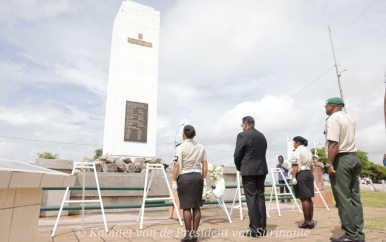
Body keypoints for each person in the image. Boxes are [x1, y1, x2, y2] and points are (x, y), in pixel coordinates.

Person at [324, 97, 365, 242]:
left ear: (333, 106)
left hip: (341, 160)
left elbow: (334, 143)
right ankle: (358, 234)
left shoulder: (333, 119)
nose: (325, 108)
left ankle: (350, 236)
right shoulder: (350, 118)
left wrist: (329, 164)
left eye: (326, 105)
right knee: (355, 198)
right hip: (354, 157)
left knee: (343, 199)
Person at [172, 125, 208, 242]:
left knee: (186, 207)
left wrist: (174, 180)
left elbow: (177, 165)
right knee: (196, 206)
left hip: (185, 177)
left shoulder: (180, 147)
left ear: (184, 134)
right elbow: (205, 165)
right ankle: (194, 234)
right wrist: (203, 178)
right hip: (197, 176)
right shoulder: (201, 147)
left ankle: (188, 235)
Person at [234, 116, 268, 237]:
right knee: (260, 198)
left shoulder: (242, 135)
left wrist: (239, 167)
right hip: (261, 169)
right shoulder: (262, 136)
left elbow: (237, 154)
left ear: (245, 124)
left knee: (251, 199)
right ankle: (262, 228)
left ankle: (254, 230)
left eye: (242, 125)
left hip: (248, 170)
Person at [290, 136, 315, 229]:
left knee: (304, 198)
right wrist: (310, 176)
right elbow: (312, 166)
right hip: (308, 173)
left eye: (294, 142)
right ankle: (311, 220)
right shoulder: (308, 151)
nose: (294, 144)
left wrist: (293, 177)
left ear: (297, 143)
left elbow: (295, 166)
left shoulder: (297, 152)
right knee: (309, 198)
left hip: (301, 173)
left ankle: (307, 221)